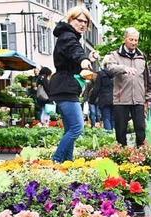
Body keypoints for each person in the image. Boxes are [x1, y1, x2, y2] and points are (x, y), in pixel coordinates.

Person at [47, 6, 97, 163]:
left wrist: (87, 58)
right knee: (77, 128)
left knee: (70, 129)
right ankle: (57, 159)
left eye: (86, 22)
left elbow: (72, 55)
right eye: (79, 20)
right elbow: (74, 50)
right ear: (70, 20)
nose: (83, 24)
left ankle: (67, 161)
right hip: (65, 87)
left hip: (64, 86)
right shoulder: (68, 36)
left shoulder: (68, 36)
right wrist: (83, 59)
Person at [106, 27, 151, 146]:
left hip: (138, 100)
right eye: (131, 39)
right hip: (121, 99)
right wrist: (123, 68)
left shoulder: (142, 57)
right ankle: (121, 155)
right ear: (124, 39)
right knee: (121, 130)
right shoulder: (115, 55)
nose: (133, 43)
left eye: (136, 40)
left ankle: (142, 155)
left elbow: (147, 79)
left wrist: (148, 98)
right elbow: (110, 69)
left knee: (140, 129)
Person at [90, 55, 115, 131]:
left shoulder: (100, 74)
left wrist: (91, 100)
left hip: (104, 99)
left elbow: (96, 89)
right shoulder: (116, 74)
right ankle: (115, 136)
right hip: (115, 99)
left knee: (106, 118)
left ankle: (109, 137)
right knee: (113, 118)